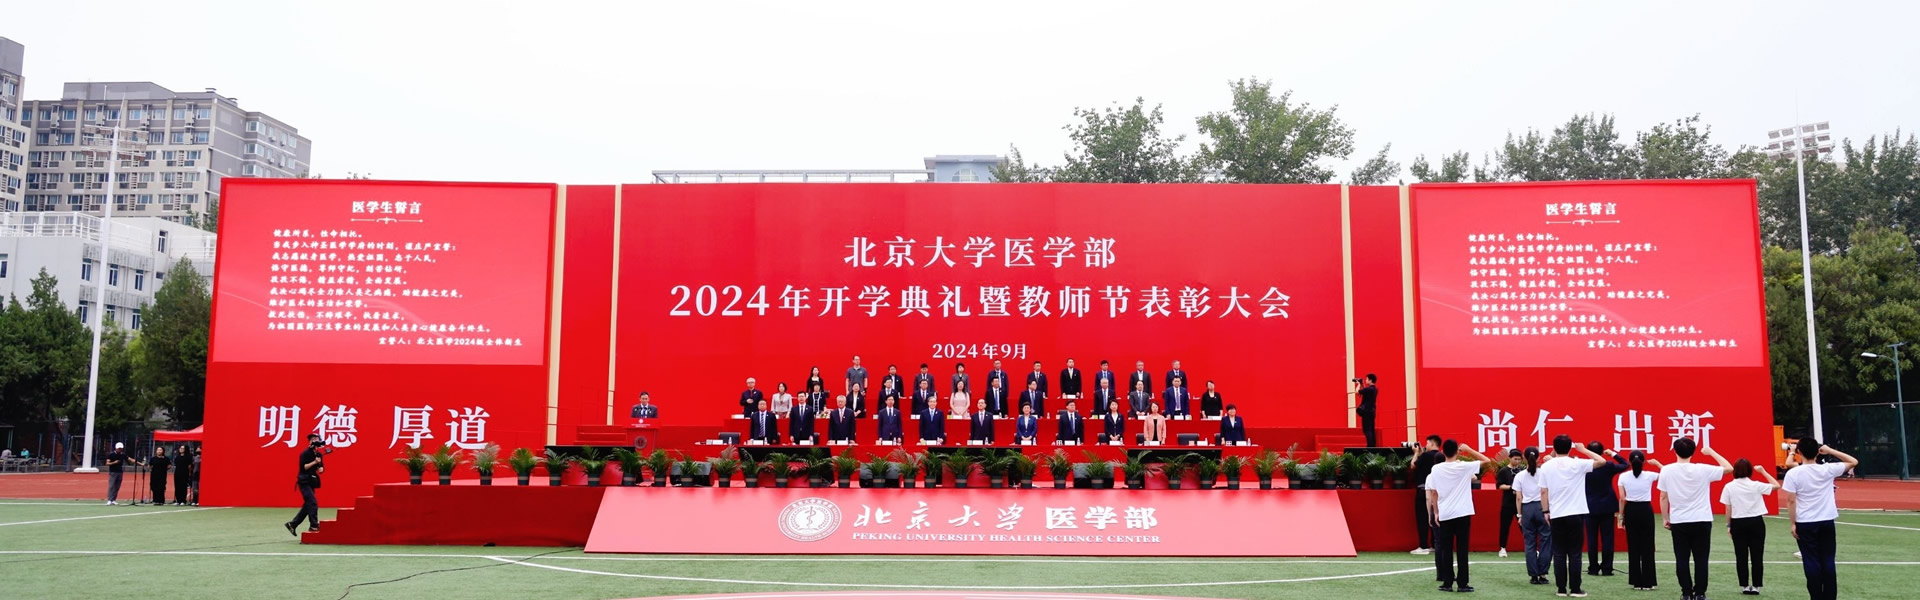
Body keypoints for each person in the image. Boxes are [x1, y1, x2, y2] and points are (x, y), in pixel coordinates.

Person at [1782, 438, 1857, 600]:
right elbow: (1853, 461)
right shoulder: (1827, 469)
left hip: (1805, 521)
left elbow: (1791, 500)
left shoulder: (1794, 473)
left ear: (1799, 452)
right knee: (1828, 560)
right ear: (1817, 452)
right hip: (1826, 520)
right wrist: (1830, 451)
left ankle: (1816, 596)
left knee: (1811, 561)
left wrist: (1793, 523)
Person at [1659, 437, 1732, 600]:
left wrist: (1665, 518)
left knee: (1681, 559)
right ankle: (1700, 593)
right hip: (1701, 519)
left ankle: (1686, 593)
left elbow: (1663, 496)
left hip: (1679, 520)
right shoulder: (1702, 469)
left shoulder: (1667, 470)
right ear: (1693, 452)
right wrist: (1711, 452)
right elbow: (1729, 468)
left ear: (1675, 451)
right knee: (1701, 559)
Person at [1538, 434, 1607, 597]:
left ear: (1554, 448)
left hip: (1556, 513)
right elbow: (1602, 461)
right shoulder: (1577, 463)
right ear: (1570, 448)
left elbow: (1543, 491)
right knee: (1575, 553)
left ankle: (1561, 589)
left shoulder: (1547, 466)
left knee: (1559, 553)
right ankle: (1575, 588)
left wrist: (1545, 511)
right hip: (1576, 513)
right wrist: (1583, 450)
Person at [1427, 440, 1490, 593]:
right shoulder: (1463, 466)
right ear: (1457, 451)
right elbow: (1487, 460)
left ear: (1443, 452)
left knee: (1446, 549)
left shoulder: (1436, 468)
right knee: (1462, 549)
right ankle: (1462, 584)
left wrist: (1436, 512)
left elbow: (1434, 493)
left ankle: (1447, 582)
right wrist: (1469, 449)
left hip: (1445, 512)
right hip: (1462, 512)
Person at [1721, 458, 1779, 596]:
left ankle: (1745, 585)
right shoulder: (1755, 485)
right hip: (1756, 522)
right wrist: (1763, 471)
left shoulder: (1729, 487)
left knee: (1741, 556)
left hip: (1738, 523)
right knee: (1757, 556)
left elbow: (1728, 509)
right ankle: (1757, 585)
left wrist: (1729, 525)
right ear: (1749, 471)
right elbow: (1776, 485)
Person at [1583, 441, 1630, 576]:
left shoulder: (1584, 466)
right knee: (1608, 538)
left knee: (1591, 539)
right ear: (1601, 452)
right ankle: (1607, 568)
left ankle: (1593, 568)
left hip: (1590, 506)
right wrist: (1613, 454)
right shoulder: (1608, 465)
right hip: (1607, 506)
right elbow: (1625, 464)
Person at [1617, 450, 1662, 592]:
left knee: (1633, 546)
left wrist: (1621, 517)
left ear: (1630, 462)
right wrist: (1657, 464)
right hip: (1645, 510)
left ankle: (1636, 582)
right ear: (1643, 462)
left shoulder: (1623, 476)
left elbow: (1622, 499)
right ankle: (1648, 582)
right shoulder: (1650, 475)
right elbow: (1668, 474)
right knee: (1648, 546)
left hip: (1631, 510)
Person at [1513, 447, 1553, 586]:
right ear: (1538, 458)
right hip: (1542, 507)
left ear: (1524, 458)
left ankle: (1533, 575)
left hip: (1527, 508)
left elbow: (1519, 497)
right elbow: (1546, 492)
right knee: (1546, 541)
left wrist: (1519, 514)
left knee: (1529, 543)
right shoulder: (1544, 473)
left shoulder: (1520, 475)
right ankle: (1543, 573)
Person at [1410, 435, 1445, 556]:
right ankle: (1435, 544)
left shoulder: (1425, 456)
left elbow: (1413, 465)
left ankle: (1423, 545)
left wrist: (1416, 453)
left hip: (1423, 490)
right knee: (1436, 517)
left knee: (1422, 518)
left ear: (1432, 443)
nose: (1426, 445)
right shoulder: (1442, 456)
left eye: (1427, 443)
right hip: (1439, 491)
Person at [285, 433, 324, 535]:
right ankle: (314, 525)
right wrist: (314, 462)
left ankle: (292, 524)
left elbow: (321, 469)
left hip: (312, 482)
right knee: (312, 502)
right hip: (304, 481)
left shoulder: (318, 454)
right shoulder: (305, 453)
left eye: (317, 439)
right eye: (313, 439)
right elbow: (304, 467)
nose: (315, 440)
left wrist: (320, 466)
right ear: (309, 441)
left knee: (308, 505)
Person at [1496, 450, 1523, 558]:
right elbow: (1499, 486)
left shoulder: (1522, 471)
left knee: (1524, 526)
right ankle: (1502, 548)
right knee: (1505, 526)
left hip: (1520, 503)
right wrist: (1511, 488)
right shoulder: (1504, 471)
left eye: (1519, 459)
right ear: (1510, 458)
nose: (1517, 461)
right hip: (1508, 503)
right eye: (1515, 459)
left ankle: (1531, 547)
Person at [1353, 374, 1378, 447]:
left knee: (1367, 430)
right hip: (1372, 411)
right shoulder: (1374, 389)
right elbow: (1365, 392)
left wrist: (1358, 384)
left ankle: (1369, 446)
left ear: (1370, 380)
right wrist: (1362, 384)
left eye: (1367, 379)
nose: (1366, 380)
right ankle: (1373, 445)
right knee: (1371, 429)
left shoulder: (1369, 389)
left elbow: (1357, 392)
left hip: (1366, 412)